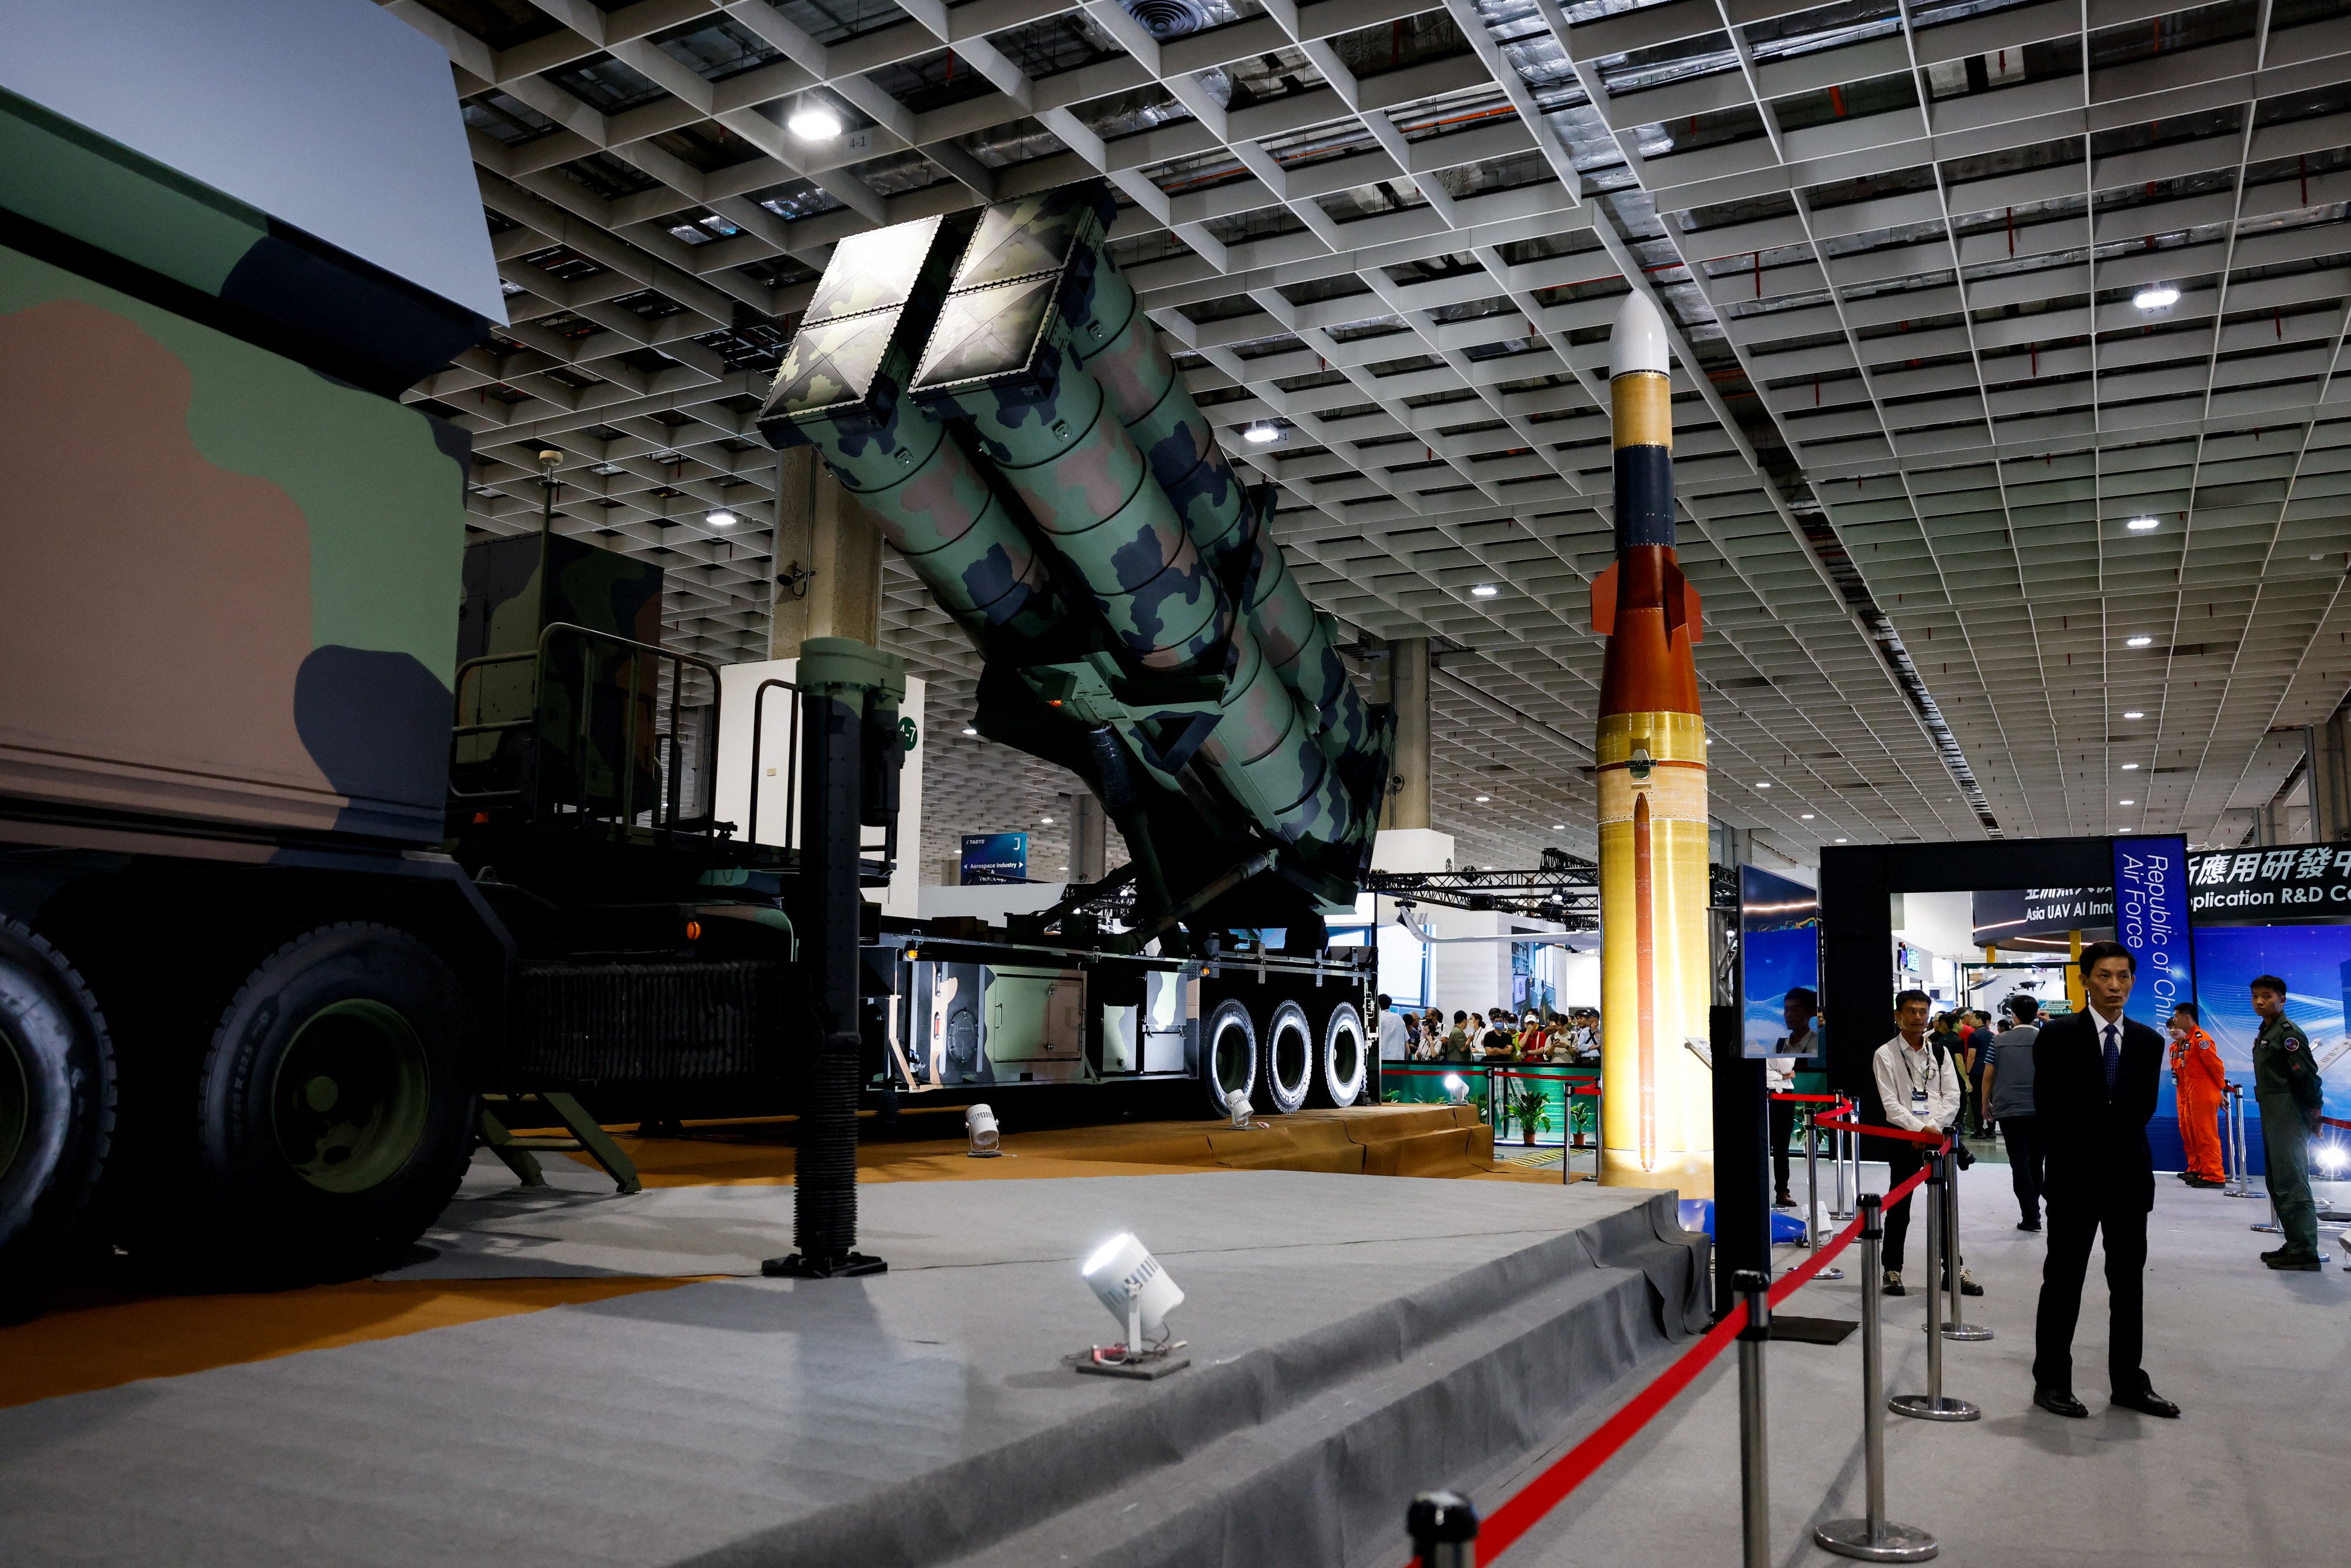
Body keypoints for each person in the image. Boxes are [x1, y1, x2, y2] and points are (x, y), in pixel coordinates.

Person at [2030, 940, 2176, 1419]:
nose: (2116, 986)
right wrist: (2066, 1160)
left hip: (2130, 1178)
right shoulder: (2055, 1037)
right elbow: (2048, 1109)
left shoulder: (2150, 1042)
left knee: (2128, 1284)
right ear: (2085, 981)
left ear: (2133, 981)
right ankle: (2051, 1382)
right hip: (2074, 1177)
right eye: (2105, 977)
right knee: (2063, 1280)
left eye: (2124, 977)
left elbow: (2143, 1110)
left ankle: (2128, 1382)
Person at [1870, 989, 1979, 1298]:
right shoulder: (1885, 1054)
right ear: (1898, 1016)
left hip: (1937, 1139)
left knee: (1946, 1205)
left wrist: (1933, 1129)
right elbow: (1891, 1104)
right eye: (1911, 1011)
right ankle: (1892, 1270)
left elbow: (1953, 1097)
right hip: (1905, 1138)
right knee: (1899, 1206)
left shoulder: (1940, 1052)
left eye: (1923, 1011)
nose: (1918, 1017)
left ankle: (1953, 1268)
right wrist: (1919, 1130)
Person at [2250, 975, 2325, 1271]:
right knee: (2277, 1180)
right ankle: (2295, 1241)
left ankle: (2306, 1250)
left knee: (2292, 1182)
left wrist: (2315, 1115)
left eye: (2267, 996)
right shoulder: (2267, 1031)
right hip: (2273, 1112)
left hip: (2289, 1112)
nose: (2259, 1001)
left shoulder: (2288, 1034)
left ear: (2283, 999)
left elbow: (2307, 1077)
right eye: (2256, 996)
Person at [1981, 996, 2044, 1229]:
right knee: (2037, 1162)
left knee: (2019, 1162)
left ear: (2013, 1015)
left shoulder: (1998, 1041)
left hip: (2008, 1109)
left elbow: (1989, 1075)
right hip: (2040, 1109)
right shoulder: (2045, 1039)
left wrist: (1985, 1104)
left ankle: (2031, 1215)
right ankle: (2034, 1208)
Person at [1766, 987, 1819, 1209]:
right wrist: (1782, 1076)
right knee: (1762, 1146)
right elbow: (1767, 1073)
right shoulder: (1776, 1043)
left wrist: (1781, 1075)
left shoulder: (1812, 1042)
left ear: (1809, 1013)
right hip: (1768, 1096)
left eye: (1794, 1010)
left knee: (1781, 1148)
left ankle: (1782, 1191)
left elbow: (1786, 1069)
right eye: (1785, 1010)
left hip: (1785, 1097)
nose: (1788, 1015)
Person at [2166, 1002, 2226, 1189]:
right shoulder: (2187, 1042)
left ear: (2187, 1017)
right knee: (2193, 1134)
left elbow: (2216, 1067)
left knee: (2206, 1134)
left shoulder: (2202, 1040)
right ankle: (2200, 1169)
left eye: (2177, 1016)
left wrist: (2220, 1090)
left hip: (2203, 1092)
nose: (2175, 1021)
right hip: (2190, 1093)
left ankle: (2214, 1175)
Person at [1376, 994, 1411, 1064]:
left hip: (1383, 1060)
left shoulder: (1378, 1019)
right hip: (1399, 1061)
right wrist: (1408, 1062)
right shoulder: (1399, 1018)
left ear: (1378, 1005)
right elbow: (1406, 1042)